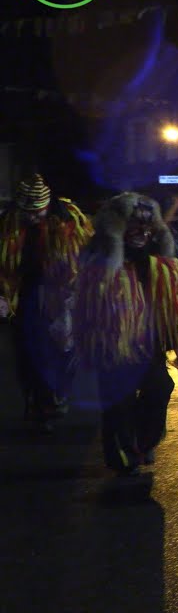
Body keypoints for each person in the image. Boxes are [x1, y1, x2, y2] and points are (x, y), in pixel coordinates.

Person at [73, 193, 178, 475]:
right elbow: (88, 300)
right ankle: (122, 455)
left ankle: (144, 439)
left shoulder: (156, 260)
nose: (142, 233)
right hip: (113, 342)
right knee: (119, 401)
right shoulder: (97, 259)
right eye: (134, 227)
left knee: (161, 386)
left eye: (147, 227)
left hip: (149, 342)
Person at [0, 174, 92, 430]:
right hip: (25, 294)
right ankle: (40, 404)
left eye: (36, 212)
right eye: (26, 212)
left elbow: (86, 251)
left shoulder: (69, 218)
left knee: (65, 349)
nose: (31, 218)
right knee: (30, 351)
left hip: (62, 293)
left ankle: (58, 393)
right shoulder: (8, 222)